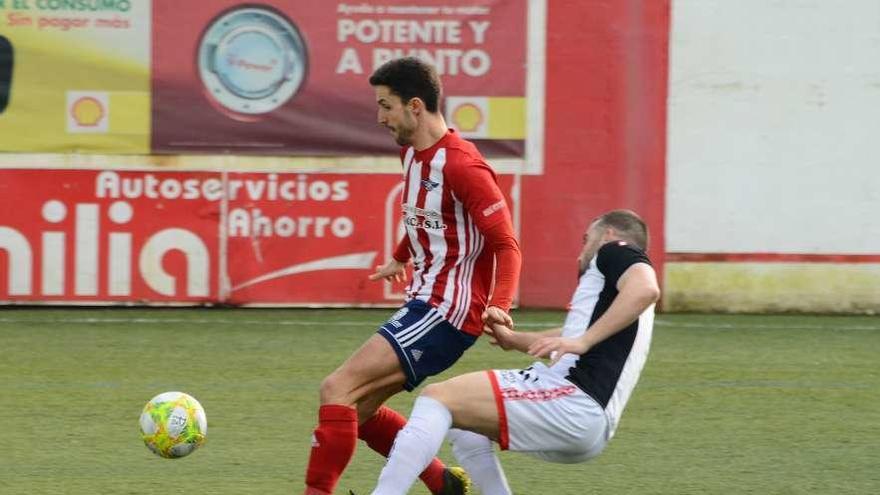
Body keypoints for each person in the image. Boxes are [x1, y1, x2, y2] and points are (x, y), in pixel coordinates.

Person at [302, 57, 522, 495]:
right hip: (426, 301)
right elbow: (426, 215)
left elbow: (507, 245)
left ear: (415, 106)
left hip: (448, 310)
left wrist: (500, 303)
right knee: (357, 412)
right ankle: (443, 482)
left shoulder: (464, 167)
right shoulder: (412, 151)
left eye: (386, 106)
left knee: (337, 388)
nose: (379, 117)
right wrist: (401, 255)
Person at [368, 209, 660, 495]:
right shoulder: (616, 303)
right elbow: (573, 336)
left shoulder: (614, 251)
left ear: (608, 234)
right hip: (588, 423)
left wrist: (582, 342)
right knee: (464, 423)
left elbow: (647, 289)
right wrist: (513, 339)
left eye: (586, 239)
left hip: (572, 402)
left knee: (437, 399)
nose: (581, 251)